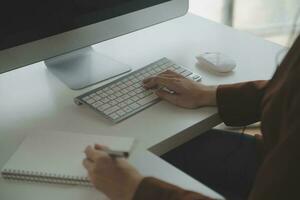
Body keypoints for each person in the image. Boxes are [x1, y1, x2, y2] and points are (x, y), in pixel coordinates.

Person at [83, 33, 300, 200]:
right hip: (268, 159)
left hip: (276, 178)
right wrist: (210, 94)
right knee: (163, 150)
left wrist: (135, 190)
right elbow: (290, 90)